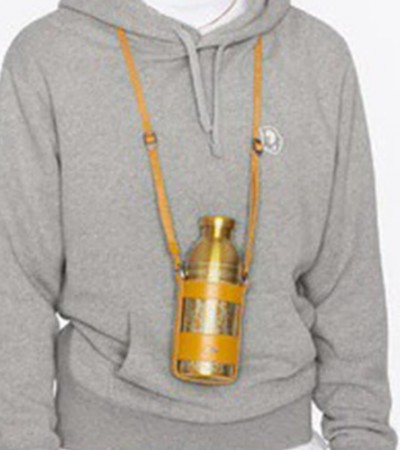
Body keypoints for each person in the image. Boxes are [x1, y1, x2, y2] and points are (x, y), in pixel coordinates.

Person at [0, 0, 397, 449]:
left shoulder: (318, 56)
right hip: (97, 434)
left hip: (284, 435)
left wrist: (365, 437)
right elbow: (16, 282)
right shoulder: (49, 55)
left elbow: (348, 279)